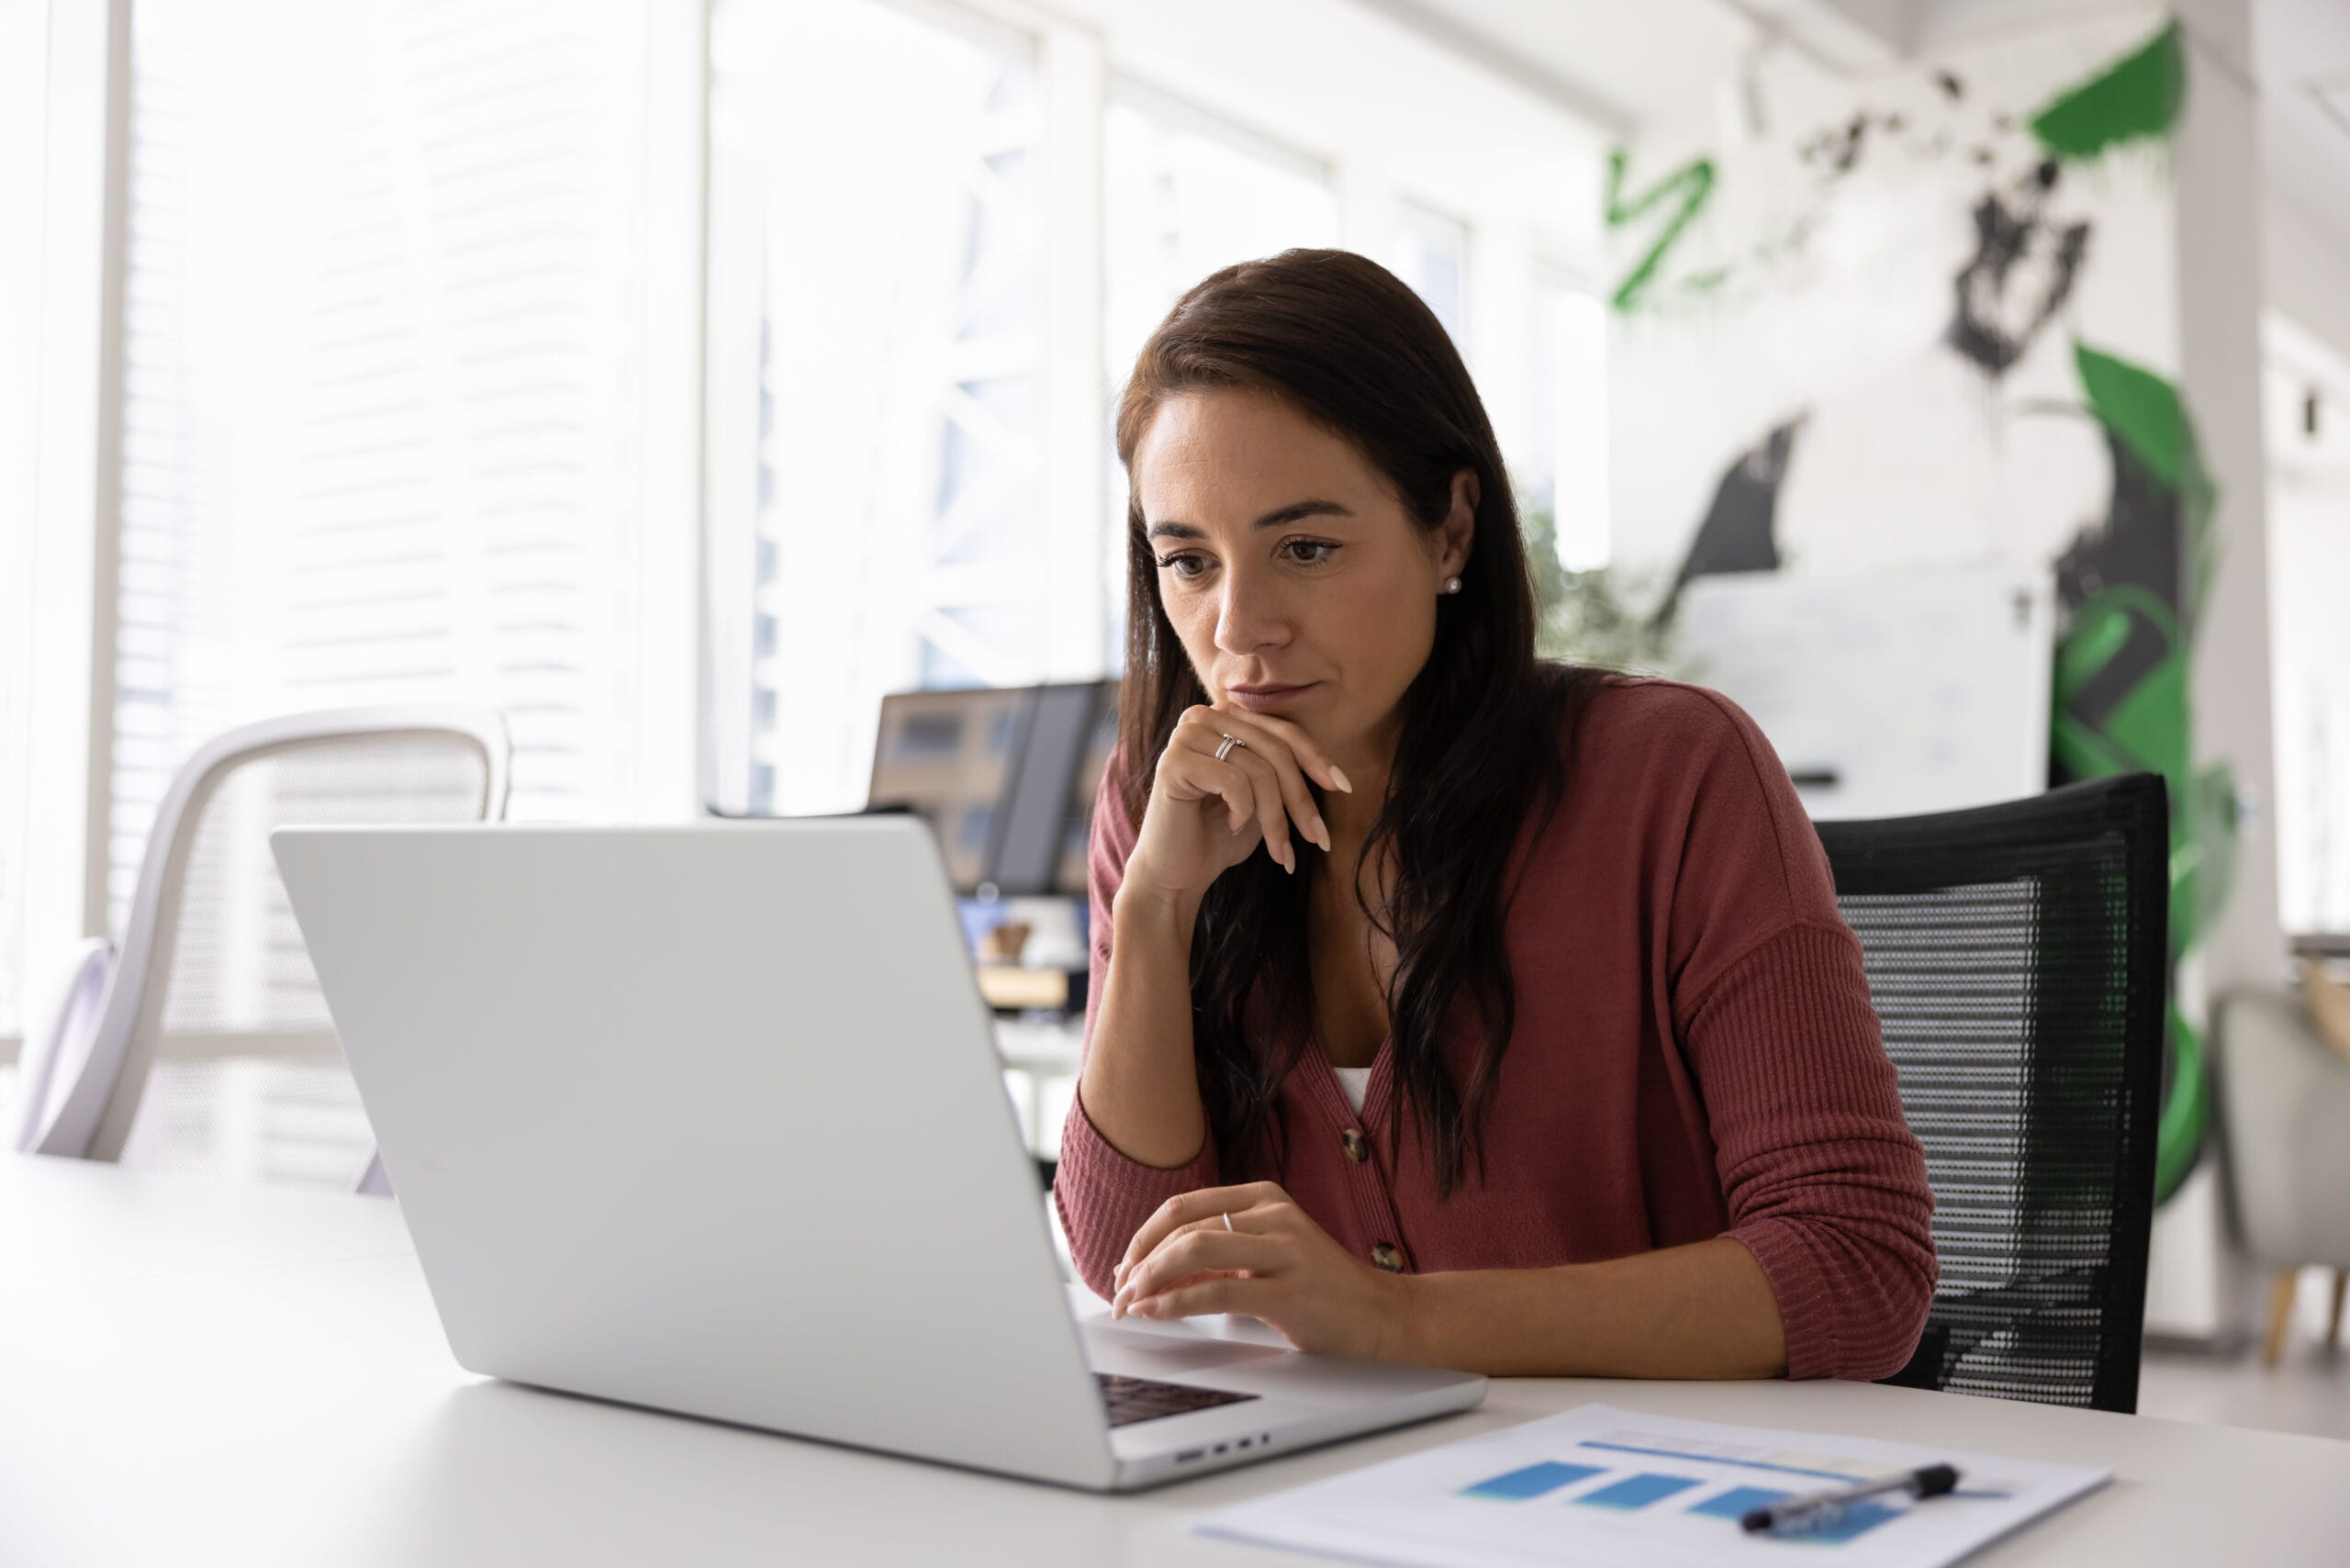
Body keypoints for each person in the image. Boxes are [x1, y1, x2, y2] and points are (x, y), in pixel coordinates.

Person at [1054, 248, 1935, 1382]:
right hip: (1346, 1493)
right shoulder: (1165, 802)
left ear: (1451, 530)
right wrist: (1157, 906)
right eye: (1188, 561)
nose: (1238, 629)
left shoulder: (1672, 777)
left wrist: (1394, 1318)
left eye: (1305, 548)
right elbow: (1136, 1266)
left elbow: (1854, 1266)